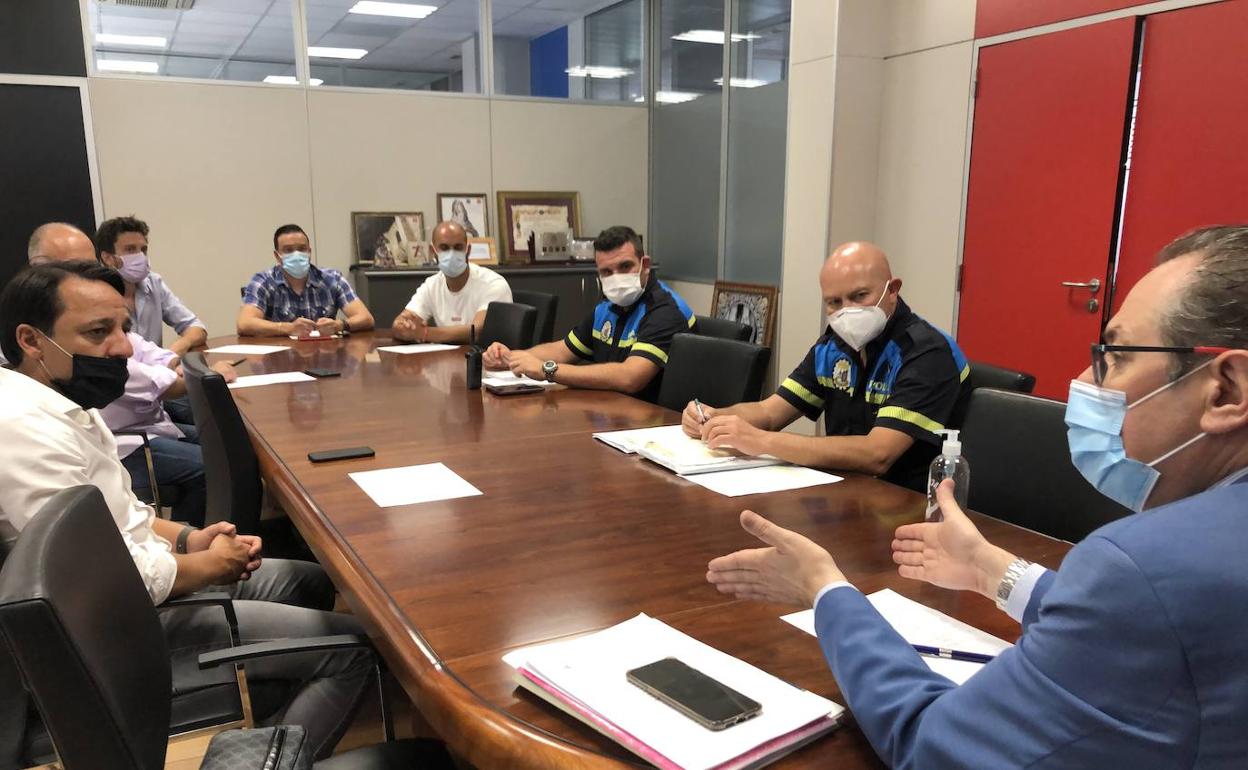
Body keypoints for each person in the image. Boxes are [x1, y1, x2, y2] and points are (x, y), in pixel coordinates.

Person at [705, 225, 1248, 767]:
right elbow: (1129, 630)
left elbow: (931, 744)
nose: (1085, 379)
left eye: (1117, 356)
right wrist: (994, 572)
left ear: (1227, 389)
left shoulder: (1139, 571)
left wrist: (825, 590)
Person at [0, 262, 373, 760]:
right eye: (98, 332)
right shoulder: (23, 430)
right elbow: (99, 582)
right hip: (119, 628)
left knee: (311, 583)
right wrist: (209, 566)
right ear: (31, 340)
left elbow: (122, 513)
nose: (123, 348)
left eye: (123, 328)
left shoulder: (60, 402)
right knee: (357, 651)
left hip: (142, 585)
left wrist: (187, 538)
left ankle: (270, 704)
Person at [683, 242, 967, 491]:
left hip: (912, 505)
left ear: (892, 290)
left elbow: (877, 454)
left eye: (860, 296)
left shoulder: (927, 352)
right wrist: (714, 418)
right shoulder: (833, 346)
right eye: (834, 302)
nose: (847, 310)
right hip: (845, 491)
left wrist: (762, 442)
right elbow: (769, 412)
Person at [482, 225, 694, 403]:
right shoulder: (607, 308)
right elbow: (563, 350)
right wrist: (511, 358)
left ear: (645, 265)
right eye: (607, 272)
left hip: (658, 421)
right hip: (614, 410)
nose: (617, 278)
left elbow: (630, 378)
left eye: (625, 266)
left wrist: (547, 370)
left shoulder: (666, 309)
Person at [95, 216, 208, 357]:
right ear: (108, 258)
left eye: (143, 249)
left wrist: (177, 348)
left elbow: (195, 327)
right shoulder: (94, 296)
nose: (140, 256)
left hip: (159, 368)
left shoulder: (154, 283)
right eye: (130, 249)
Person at [238, 224, 375, 337]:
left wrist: (339, 325)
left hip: (325, 355)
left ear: (309, 252)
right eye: (288, 250)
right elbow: (244, 323)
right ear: (277, 256)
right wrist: (288, 328)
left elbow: (366, 318)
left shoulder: (332, 278)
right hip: (280, 357)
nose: (296, 254)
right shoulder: (263, 281)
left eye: (302, 249)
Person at [392, 220, 512, 344]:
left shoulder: (493, 284)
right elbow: (400, 323)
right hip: (448, 355)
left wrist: (424, 333)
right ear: (433, 251)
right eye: (444, 248)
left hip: (486, 355)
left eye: (458, 247)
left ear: (468, 250)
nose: (451, 254)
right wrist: (404, 327)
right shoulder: (432, 285)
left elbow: (476, 332)